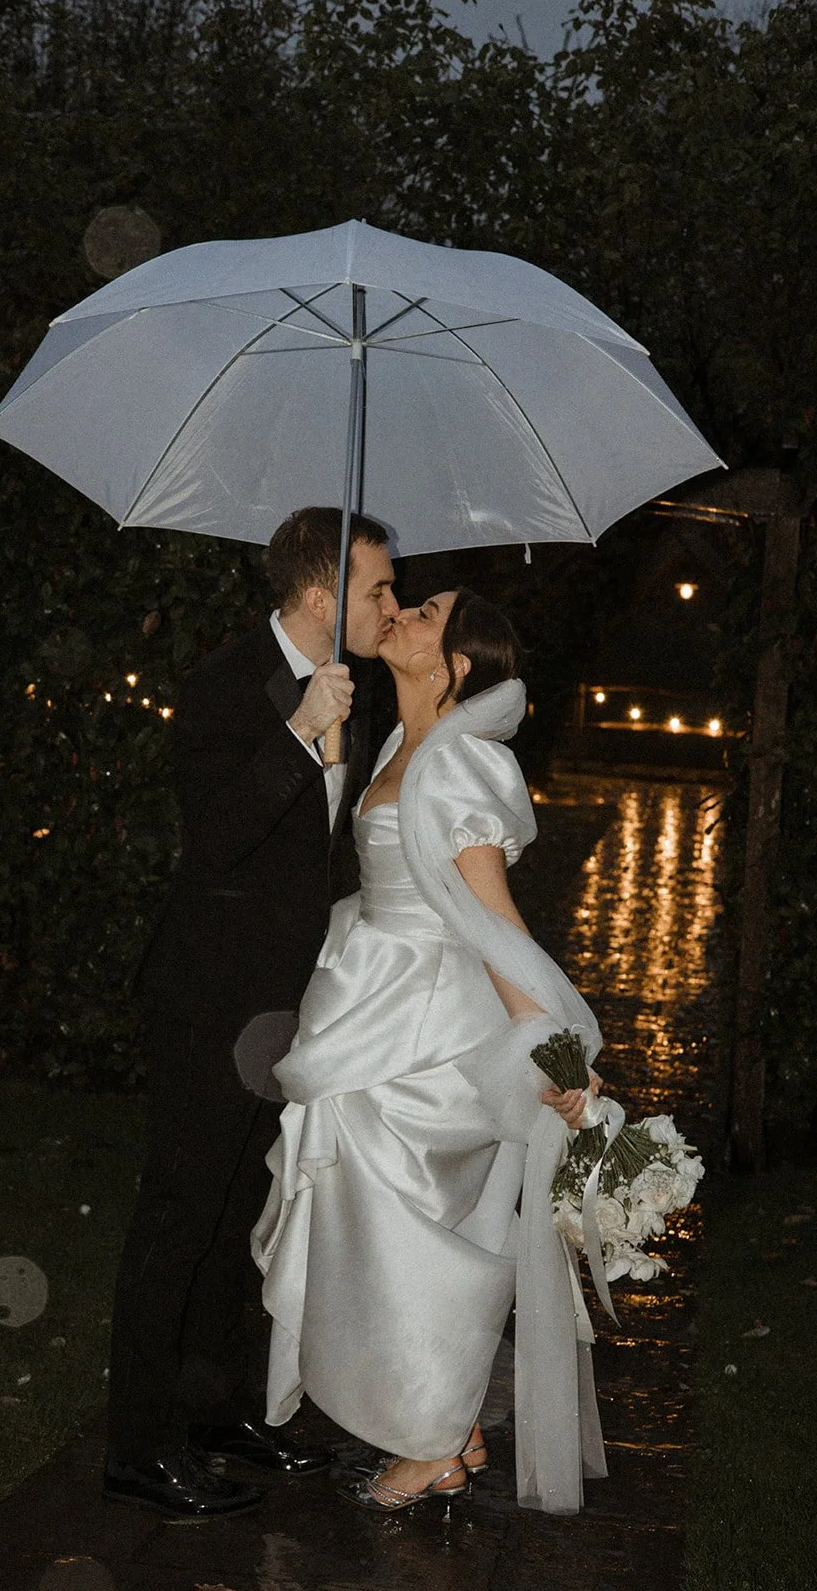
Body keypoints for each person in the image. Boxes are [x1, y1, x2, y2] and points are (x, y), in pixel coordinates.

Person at [252, 588, 608, 1516]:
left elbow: (497, 926)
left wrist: (555, 1054)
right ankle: (447, 1427)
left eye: (424, 615)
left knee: (402, 1237)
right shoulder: (397, 745)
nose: (400, 613)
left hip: (423, 1031)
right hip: (365, 1003)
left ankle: (432, 1440)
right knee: (378, 1230)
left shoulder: (459, 766)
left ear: (454, 668)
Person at [104, 507, 399, 1520]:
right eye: (374, 589)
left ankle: (215, 1407)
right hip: (207, 997)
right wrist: (298, 733)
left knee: (237, 1212)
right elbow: (219, 838)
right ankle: (136, 1447)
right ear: (317, 595)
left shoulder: (348, 692)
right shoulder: (227, 684)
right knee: (178, 1215)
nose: (387, 605)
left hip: (281, 1003)